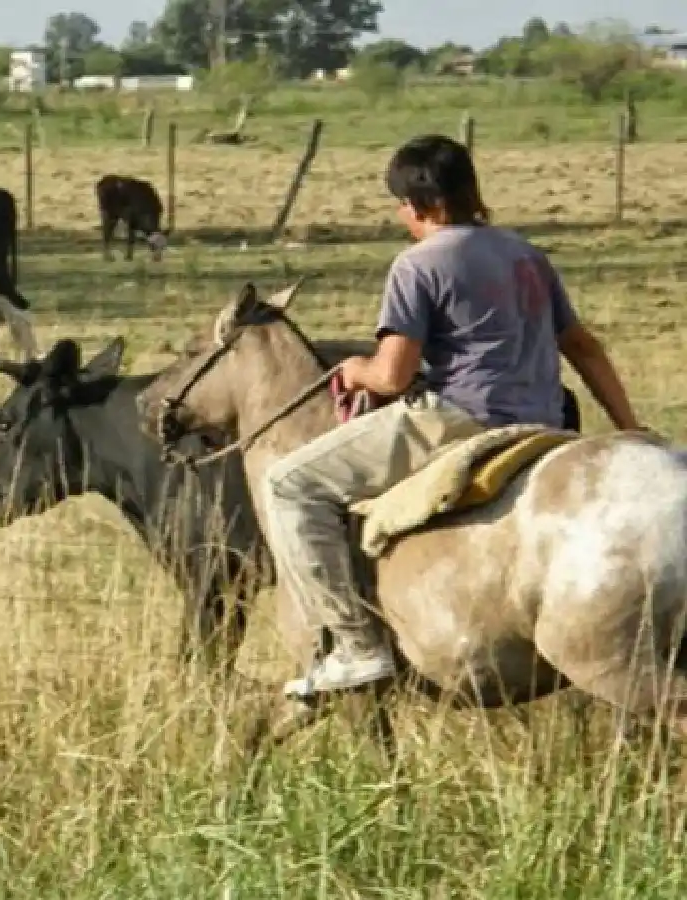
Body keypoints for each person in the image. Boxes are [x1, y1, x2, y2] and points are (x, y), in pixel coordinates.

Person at [264, 133, 643, 699]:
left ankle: (354, 647)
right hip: (547, 419)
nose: (402, 216)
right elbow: (584, 348)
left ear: (423, 206)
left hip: (458, 418)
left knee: (289, 485)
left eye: (401, 205)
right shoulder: (526, 255)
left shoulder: (417, 265)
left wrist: (352, 370)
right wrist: (630, 429)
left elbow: (393, 376)